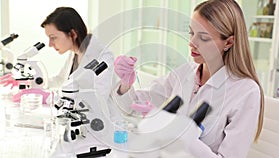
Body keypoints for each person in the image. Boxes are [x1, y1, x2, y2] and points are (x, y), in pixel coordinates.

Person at [112, 0, 264, 157]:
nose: (192, 43)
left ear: (229, 42)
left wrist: (176, 132)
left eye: (204, 38)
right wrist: (125, 85)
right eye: (192, 33)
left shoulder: (245, 91)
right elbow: (132, 108)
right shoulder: (185, 73)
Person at [1, 7, 114, 101]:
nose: (50, 44)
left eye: (53, 38)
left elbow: (98, 97)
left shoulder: (101, 56)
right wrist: (31, 83)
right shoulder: (75, 53)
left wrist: (51, 98)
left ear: (72, 34)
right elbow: (61, 80)